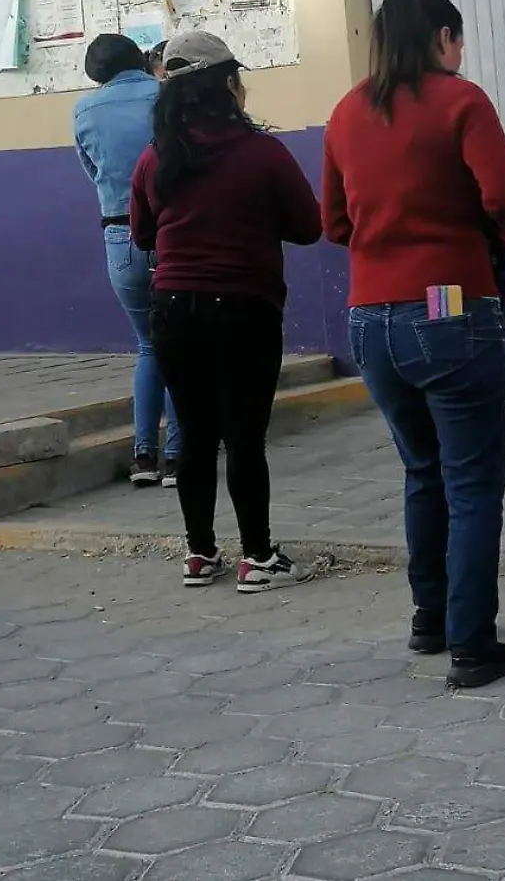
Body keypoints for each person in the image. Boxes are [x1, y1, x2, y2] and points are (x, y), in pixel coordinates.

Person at [323, 0, 505, 690]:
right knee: (472, 483)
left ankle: (430, 617)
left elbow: (334, 222)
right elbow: (503, 195)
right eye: (460, 39)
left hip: (369, 315)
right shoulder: (460, 100)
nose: (461, 53)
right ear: (444, 36)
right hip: (448, 305)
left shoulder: (348, 111)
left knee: (422, 471)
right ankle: (473, 643)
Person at [127, 30, 321, 593]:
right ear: (228, 85)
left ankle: (198, 554)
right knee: (243, 436)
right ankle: (258, 558)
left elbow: (142, 235)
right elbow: (308, 227)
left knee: (193, 432)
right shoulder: (262, 153)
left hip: (173, 310)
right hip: (244, 309)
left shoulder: (154, 158)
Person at [74, 33, 181, 488]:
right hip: (171, 232)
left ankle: (144, 456)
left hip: (119, 234)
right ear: (141, 59)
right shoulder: (166, 96)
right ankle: (178, 456)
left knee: (149, 346)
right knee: (181, 346)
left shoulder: (83, 111)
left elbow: (93, 170)